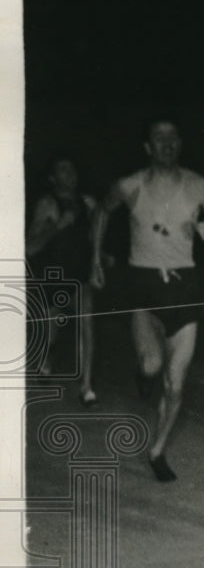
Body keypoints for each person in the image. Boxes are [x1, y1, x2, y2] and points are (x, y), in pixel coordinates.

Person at [90, 118, 204, 482]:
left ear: (179, 144)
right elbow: (102, 211)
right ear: (148, 147)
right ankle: (143, 372)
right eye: (159, 138)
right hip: (143, 285)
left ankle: (157, 450)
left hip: (185, 287)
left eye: (172, 138)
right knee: (152, 366)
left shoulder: (199, 185)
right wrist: (95, 257)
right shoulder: (130, 185)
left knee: (176, 383)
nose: (167, 143)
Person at [26, 155, 101, 404]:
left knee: (87, 321)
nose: (70, 173)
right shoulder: (47, 204)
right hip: (53, 276)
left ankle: (87, 386)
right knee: (52, 330)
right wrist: (58, 225)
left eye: (72, 168)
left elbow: (92, 238)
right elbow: (31, 247)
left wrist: (100, 260)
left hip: (80, 275)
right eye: (63, 169)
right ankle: (47, 358)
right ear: (52, 178)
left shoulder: (87, 203)